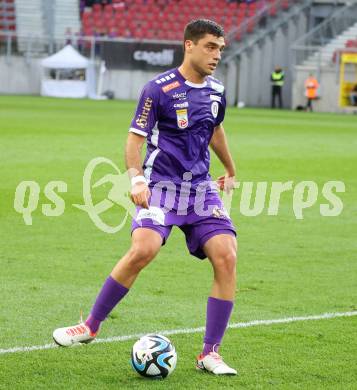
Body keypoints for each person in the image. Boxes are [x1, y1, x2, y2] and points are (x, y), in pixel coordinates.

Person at [53, 19, 238, 375]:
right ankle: (90, 326)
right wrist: (136, 180)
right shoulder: (158, 89)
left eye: (220, 48)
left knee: (227, 256)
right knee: (144, 249)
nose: (217, 54)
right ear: (189, 45)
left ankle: (210, 353)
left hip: (199, 190)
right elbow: (135, 139)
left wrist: (230, 169)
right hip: (161, 187)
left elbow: (215, 130)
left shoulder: (217, 91)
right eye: (210, 46)